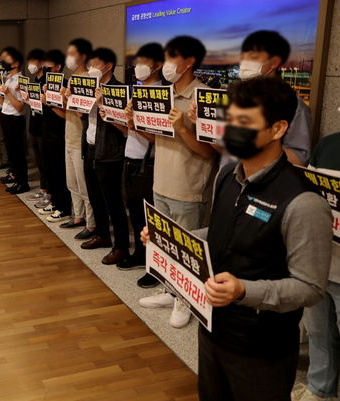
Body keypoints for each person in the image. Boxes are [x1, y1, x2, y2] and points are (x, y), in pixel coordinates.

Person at [140, 76, 331, 401]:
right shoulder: (228, 175)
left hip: (262, 349)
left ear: (278, 128)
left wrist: (245, 290)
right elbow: (220, 233)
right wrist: (170, 237)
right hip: (212, 328)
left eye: (244, 122)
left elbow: (310, 287)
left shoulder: (304, 203)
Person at [136, 36, 217, 329]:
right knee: (165, 246)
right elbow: (155, 138)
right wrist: (135, 124)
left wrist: (183, 127)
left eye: (172, 58)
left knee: (189, 249)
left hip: (188, 187)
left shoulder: (202, 98)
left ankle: (188, 300)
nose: (167, 65)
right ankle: (171, 291)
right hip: (160, 181)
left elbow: (209, 151)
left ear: (190, 62)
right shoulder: (161, 94)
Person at [294, 132, 340, 401]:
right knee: (318, 332)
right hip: (320, 262)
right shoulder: (328, 144)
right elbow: (308, 190)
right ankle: (320, 388)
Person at [114, 43, 162, 273]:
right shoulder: (136, 90)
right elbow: (130, 130)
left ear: (158, 65)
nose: (138, 66)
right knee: (133, 209)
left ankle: (153, 264)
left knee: (148, 215)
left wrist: (135, 124)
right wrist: (118, 119)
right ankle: (140, 255)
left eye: (144, 62)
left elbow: (158, 137)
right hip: (130, 156)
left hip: (148, 162)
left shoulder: (161, 95)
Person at [81, 47, 130, 266]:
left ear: (108, 66)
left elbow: (125, 128)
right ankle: (102, 234)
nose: (91, 68)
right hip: (90, 146)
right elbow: (82, 114)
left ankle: (120, 246)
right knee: (94, 195)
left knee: (113, 201)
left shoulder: (119, 90)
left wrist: (104, 106)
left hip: (110, 152)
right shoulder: (90, 87)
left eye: (95, 64)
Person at [238, 30, 311, 166]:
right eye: (243, 58)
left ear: (274, 62)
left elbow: (300, 159)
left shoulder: (293, 105)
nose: (244, 64)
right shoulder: (236, 99)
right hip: (231, 181)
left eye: (253, 57)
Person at [56, 38, 94, 229]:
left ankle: (91, 223)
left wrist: (72, 98)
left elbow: (83, 114)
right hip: (69, 137)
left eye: (72, 54)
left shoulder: (88, 79)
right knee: (71, 182)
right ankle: (78, 216)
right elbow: (68, 112)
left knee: (83, 184)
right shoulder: (72, 79)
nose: (68, 58)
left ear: (83, 56)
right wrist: (57, 99)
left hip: (81, 140)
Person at [37, 49, 72, 222]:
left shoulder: (64, 85)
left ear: (58, 66)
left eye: (49, 63)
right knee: (49, 170)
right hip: (46, 131)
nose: (45, 66)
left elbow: (66, 113)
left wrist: (49, 103)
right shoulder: (46, 83)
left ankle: (64, 207)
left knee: (59, 172)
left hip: (59, 134)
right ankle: (55, 202)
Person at [0, 46, 29, 194]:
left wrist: (8, 92)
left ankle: (23, 183)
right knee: (11, 152)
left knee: (18, 153)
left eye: (7, 59)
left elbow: (20, 106)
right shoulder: (8, 78)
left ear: (16, 63)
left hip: (16, 119)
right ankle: (16, 178)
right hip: (6, 116)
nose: (3, 61)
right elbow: (3, 103)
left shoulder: (21, 80)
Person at [24, 49, 48, 201]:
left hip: (44, 127)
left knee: (46, 162)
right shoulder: (35, 80)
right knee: (39, 161)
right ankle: (43, 188)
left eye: (34, 61)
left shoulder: (47, 80)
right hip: (34, 124)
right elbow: (35, 103)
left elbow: (48, 105)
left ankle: (48, 192)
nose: (31, 65)